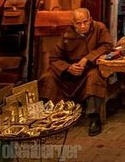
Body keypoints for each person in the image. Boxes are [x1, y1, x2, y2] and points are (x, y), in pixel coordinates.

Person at [38, 8, 113, 136]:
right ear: (73, 23)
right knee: (48, 77)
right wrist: (68, 68)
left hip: (90, 68)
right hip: (70, 71)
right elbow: (55, 57)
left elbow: (107, 46)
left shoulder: (99, 28)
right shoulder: (67, 33)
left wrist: (87, 59)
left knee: (94, 78)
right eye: (78, 23)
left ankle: (94, 118)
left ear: (90, 20)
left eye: (85, 22)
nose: (82, 26)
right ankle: (49, 116)